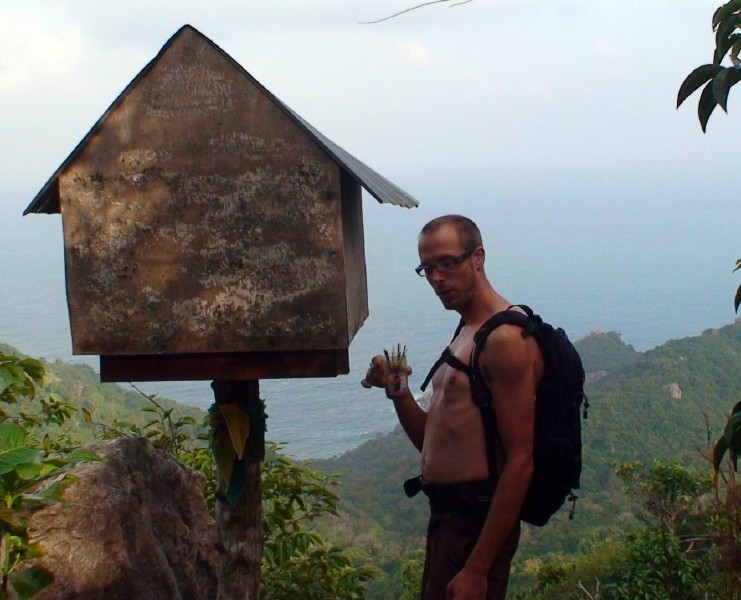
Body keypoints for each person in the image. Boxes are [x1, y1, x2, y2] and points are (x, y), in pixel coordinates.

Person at [361, 215, 543, 600]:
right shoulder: (467, 330)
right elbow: (432, 441)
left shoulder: (505, 339)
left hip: (474, 523)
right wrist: (399, 391)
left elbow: (521, 461)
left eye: (447, 263)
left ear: (478, 257)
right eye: (427, 268)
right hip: (447, 518)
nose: (436, 278)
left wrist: (477, 568)